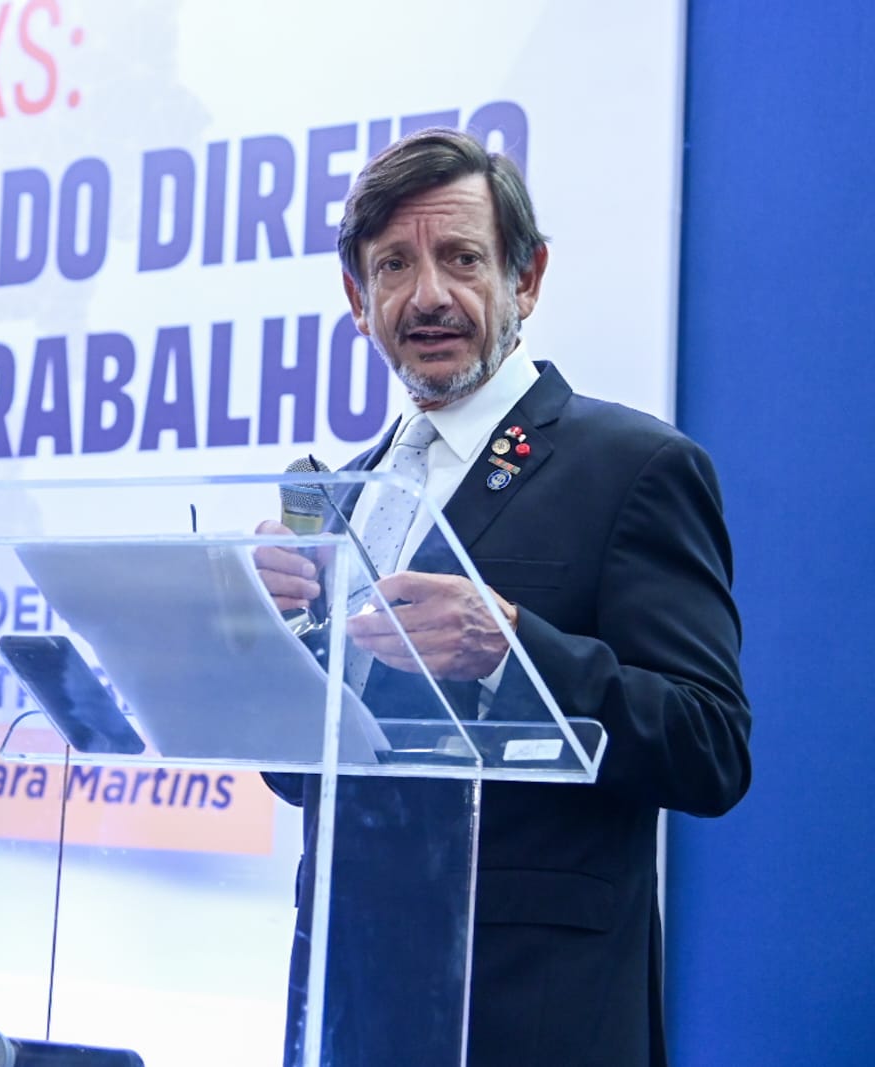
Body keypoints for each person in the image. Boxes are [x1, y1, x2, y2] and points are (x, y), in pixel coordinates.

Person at [254, 128, 751, 1066]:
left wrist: (513, 648)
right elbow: (309, 778)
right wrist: (271, 643)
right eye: (394, 265)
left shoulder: (636, 468)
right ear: (358, 301)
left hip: (536, 1016)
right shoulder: (350, 492)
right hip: (352, 1005)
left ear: (526, 280)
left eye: (462, 258)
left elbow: (710, 746)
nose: (428, 295)